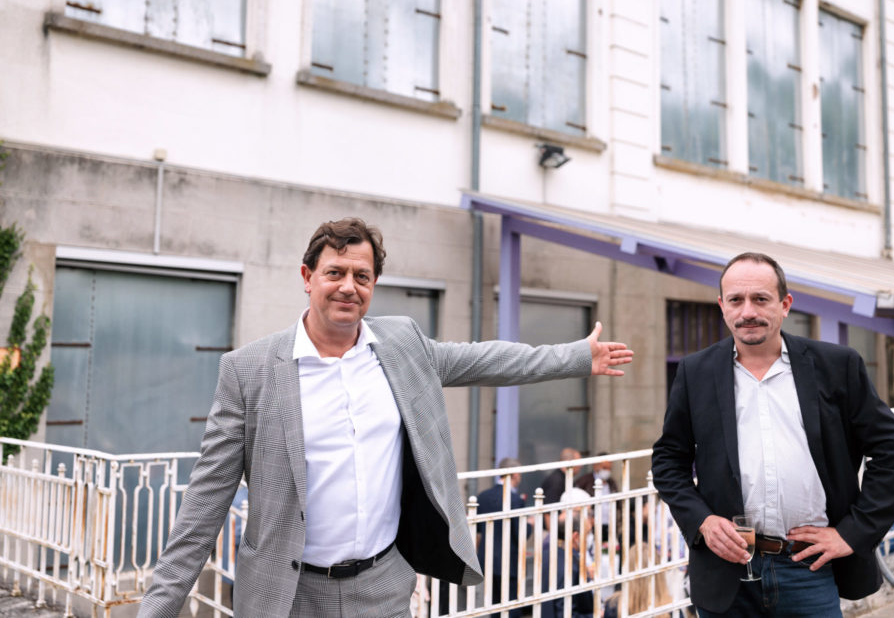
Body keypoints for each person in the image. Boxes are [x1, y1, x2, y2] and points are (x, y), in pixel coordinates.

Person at [139, 218, 633, 618]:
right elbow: (203, 507)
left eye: (362, 276)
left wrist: (575, 357)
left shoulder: (402, 344)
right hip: (287, 596)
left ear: (373, 284)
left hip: (383, 589)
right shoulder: (248, 371)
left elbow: (485, 359)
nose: (348, 287)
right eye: (335, 273)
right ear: (307, 277)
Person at [651, 252, 894, 617]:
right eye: (736, 300)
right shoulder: (696, 372)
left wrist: (853, 532)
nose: (747, 312)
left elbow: (893, 450)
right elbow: (668, 460)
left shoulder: (837, 365)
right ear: (722, 306)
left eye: (760, 299)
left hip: (808, 569)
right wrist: (702, 522)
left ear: (785, 304)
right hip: (728, 571)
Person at [475, 457, 530, 618]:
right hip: (509, 561)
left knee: (494, 606)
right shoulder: (515, 499)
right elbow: (520, 534)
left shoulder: (483, 496)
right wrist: (531, 525)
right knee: (511, 606)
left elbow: (478, 531)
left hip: (487, 559)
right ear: (515, 474)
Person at [540, 489, 595, 618]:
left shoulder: (552, 554)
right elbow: (565, 612)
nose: (588, 538)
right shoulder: (569, 565)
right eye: (586, 534)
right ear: (575, 536)